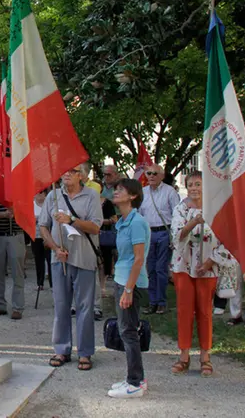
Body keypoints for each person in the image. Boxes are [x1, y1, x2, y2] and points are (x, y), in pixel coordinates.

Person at [169, 171, 238, 377]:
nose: (194, 188)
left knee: (205, 311)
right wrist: (194, 221)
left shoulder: (216, 209)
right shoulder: (180, 208)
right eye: (190, 184)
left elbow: (227, 238)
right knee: (184, 310)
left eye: (198, 184)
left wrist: (210, 262)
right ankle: (183, 355)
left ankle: (205, 356)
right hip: (184, 266)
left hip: (207, 266)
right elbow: (177, 235)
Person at [41, 164, 103, 371]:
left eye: (71, 171)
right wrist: (54, 247)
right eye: (64, 170)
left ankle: (85, 352)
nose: (66, 174)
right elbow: (43, 226)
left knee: (85, 308)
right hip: (60, 259)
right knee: (61, 305)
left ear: (81, 175)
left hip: (84, 258)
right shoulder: (53, 196)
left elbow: (95, 227)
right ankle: (61, 349)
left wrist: (72, 220)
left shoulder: (92, 196)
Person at [108, 178, 150, 399]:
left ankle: (135, 382)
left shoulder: (136, 222)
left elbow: (138, 258)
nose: (116, 192)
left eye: (121, 190)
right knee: (127, 330)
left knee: (128, 331)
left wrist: (128, 289)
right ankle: (135, 377)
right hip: (122, 279)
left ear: (132, 196)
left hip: (131, 282)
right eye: (115, 189)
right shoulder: (123, 221)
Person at [139, 164, 181, 314]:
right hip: (148, 233)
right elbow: (139, 214)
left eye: (155, 173)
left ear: (162, 176)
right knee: (150, 268)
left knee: (161, 268)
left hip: (164, 232)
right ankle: (153, 301)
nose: (151, 176)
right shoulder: (142, 192)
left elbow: (177, 215)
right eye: (149, 173)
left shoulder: (170, 192)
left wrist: (173, 237)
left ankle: (162, 302)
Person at [0, 192, 25, 320]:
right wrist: (3, 214)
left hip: (16, 234)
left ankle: (17, 307)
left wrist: (17, 210)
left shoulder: (20, 191)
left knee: (17, 273)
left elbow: (28, 213)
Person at [32, 190, 52, 290]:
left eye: (41, 193)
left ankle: (53, 283)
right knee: (38, 259)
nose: (39, 195)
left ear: (45, 195)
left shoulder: (48, 204)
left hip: (48, 236)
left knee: (49, 259)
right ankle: (40, 282)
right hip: (35, 236)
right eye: (37, 193)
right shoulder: (31, 205)